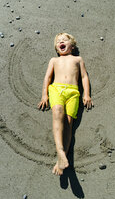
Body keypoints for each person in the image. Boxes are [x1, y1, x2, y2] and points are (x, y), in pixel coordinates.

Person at [38, 32, 93, 175]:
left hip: (73, 92)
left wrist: (86, 94)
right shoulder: (54, 60)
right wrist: (44, 95)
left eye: (64, 40)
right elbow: (47, 77)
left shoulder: (78, 59)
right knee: (57, 113)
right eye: (58, 42)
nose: (61, 42)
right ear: (57, 49)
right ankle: (60, 151)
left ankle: (60, 160)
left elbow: (84, 77)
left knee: (69, 124)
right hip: (57, 89)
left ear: (72, 46)